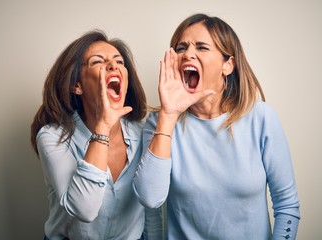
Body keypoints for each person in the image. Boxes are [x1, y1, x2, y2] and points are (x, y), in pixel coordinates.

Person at [133, 13, 300, 240]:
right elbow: (150, 200)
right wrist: (168, 115)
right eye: (181, 48)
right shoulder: (159, 123)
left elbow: (287, 206)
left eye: (201, 47)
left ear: (227, 65)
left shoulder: (261, 118)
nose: (188, 54)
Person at [30, 30, 162, 240]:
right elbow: (85, 210)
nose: (113, 65)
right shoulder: (52, 137)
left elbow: (151, 206)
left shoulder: (142, 132)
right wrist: (103, 126)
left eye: (119, 61)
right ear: (77, 85)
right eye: (97, 62)